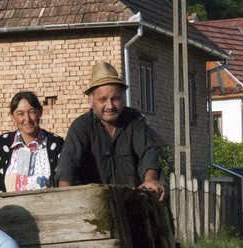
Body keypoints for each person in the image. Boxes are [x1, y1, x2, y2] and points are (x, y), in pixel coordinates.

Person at [56, 61, 166, 200]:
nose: (110, 106)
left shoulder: (134, 120)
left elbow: (148, 152)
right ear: (91, 101)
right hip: (95, 205)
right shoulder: (81, 126)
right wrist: (66, 199)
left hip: (133, 201)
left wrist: (150, 180)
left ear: (122, 98)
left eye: (115, 99)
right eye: (102, 99)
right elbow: (67, 166)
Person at [0, 91, 64, 196]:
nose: (27, 119)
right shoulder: (2, 144)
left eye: (31, 112)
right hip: (8, 210)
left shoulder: (55, 144)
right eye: (20, 114)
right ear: (12, 116)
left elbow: (66, 179)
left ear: (40, 112)